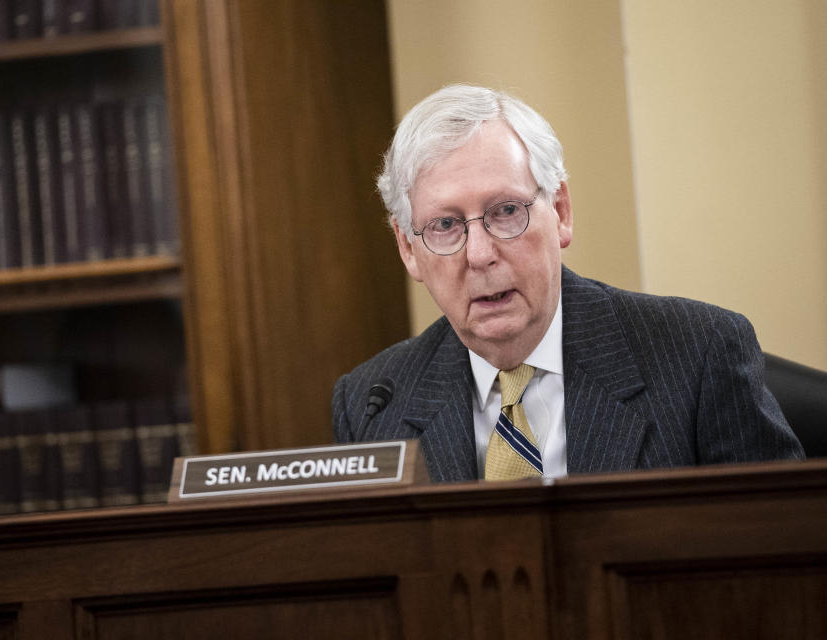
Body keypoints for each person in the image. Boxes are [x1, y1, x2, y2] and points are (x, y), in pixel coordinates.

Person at [331, 84, 804, 483]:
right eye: (445, 226)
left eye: (506, 211)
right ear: (408, 248)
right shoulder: (371, 405)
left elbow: (786, 558)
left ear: (559, 212)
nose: (479, 254)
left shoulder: (699, 356)